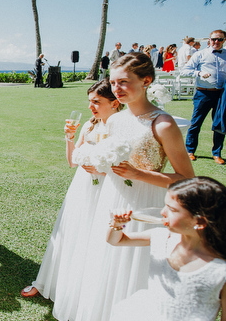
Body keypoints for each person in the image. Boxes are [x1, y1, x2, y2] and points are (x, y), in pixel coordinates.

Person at [73, 52, 194, 321]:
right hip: (111, 197)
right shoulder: (115, 120)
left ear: (146, 80)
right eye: (114, 83)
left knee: (137, 265)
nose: (117, 89)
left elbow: (186, 178)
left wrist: (138, 174)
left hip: (146, 203)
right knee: (105, 259)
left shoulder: (163, 124)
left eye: (124, 82)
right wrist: (95, 163)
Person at [21, 80, 122, 321]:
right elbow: (72, 162)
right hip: (82, 187)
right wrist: (69, 138)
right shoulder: (89, 125)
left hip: (107, 189)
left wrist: (103, 168)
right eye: (89, 101)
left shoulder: (121, 130)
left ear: (115, 103)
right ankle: (51, 283)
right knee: (70, 234)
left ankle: (87, 296)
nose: (91, 107)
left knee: (96, 238)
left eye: (96, 102)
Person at [107, 177, 226, 321]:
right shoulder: (162, 238)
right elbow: (117, 240)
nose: (163, 212)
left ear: (199, 221)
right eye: (165, 205)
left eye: (172, 209)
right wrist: (117, 225)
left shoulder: (219, 270)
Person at [181, 30, 226, 165]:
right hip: (203, 93)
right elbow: (184, 71)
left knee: (220, 124)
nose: (216, 42)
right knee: (196, 123)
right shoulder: (200, 54)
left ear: (224, 40)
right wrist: (199, 73)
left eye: (219, 39)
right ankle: (190, 151)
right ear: (209, 40)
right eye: (214, 39)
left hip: (221, 95)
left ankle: (217, 153)